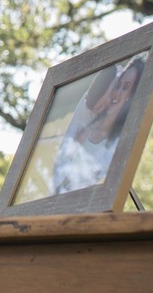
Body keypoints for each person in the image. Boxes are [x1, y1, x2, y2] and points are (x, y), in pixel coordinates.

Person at [49, 57, 144, 195]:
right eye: (118, 85)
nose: (117, 92)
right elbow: (60, 162)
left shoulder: (118, 144)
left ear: (133, 95)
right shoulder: (88, 115)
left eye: (126, 87)